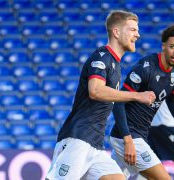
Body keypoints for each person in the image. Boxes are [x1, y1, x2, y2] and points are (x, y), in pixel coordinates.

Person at [46, 10, 156, 180]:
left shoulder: (116, 65)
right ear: (116, 32)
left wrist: (127, 138)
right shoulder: (102, 56)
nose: (138, 35)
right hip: (79, 138)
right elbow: (95, 91)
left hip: (95, 145)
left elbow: (114, 101)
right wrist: (137, 96)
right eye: (133, 29)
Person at [109, 25, 174, 180]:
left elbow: (173, 100)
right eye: (172, 47)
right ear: (163, 46)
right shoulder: (145, 68)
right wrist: (128, 139)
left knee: (112, 177)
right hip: (128, 135)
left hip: (141, 133)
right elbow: (118, 101)